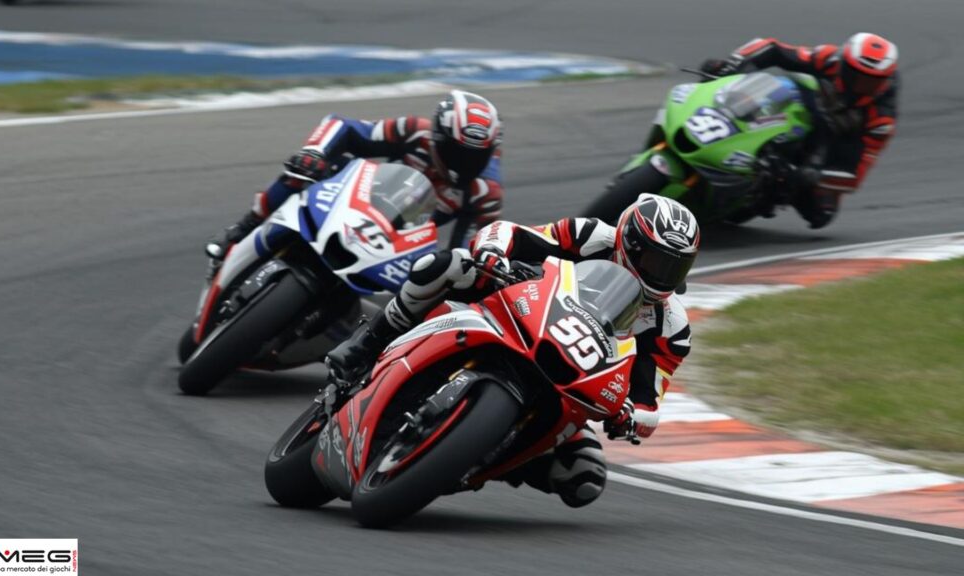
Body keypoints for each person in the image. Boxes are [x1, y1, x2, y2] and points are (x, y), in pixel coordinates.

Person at [327, 194, 700, 508]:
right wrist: (492, 253)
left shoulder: (671, 326)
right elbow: (513, 233)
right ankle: (367, 344)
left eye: (674, 267)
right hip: (515, 306)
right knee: (445, 266)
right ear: (629, 242)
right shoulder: (591, 236)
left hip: (568, 381)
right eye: (657, 261)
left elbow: (651, 400)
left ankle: (485, 455)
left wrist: (632, 416)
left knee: (584, 476)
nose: (663, 275)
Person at [206, 90, 504, 257]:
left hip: (400, 243)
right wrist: (314, 151)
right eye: (457, 151)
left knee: (441, 281)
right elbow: (345, 127)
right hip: (360, 198)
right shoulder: (414, 130)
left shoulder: (485, 194)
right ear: (438, 136)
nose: (463, 163)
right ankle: (241, 230)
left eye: (475, 156)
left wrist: (463, 262)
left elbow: (469, 250)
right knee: (305, 169)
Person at [700, 33, 899, 228]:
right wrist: (733, 64)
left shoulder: (881, 119)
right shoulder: (830, 59)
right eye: (855, 75)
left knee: (820, 212)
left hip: (834, 145)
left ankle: (758, 194)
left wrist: (808, 175)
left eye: (870, 82)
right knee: (783, 84)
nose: (860, 85)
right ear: (844, 64)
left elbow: (854, 175)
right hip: (804, 110)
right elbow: (773, 49)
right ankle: (723, 119)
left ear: (884, 81)